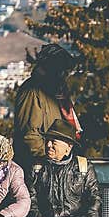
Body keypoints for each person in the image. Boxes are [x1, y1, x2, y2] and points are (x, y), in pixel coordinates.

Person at [13, 43, 83, 172]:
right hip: (40, 167)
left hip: (58, 163)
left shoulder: (57, 92)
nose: (66, 75)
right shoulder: (33, 92)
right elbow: (30, 136)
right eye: (63, 70)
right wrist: (52, 156)